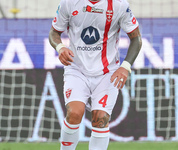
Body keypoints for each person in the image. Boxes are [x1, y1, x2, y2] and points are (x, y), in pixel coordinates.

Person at [49, 0, 142, 149]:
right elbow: (54, 32)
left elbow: (136, 38)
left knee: (100, 119)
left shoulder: (119, 5)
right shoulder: (69, 3)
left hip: (107, 72)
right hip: (76, 69)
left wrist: (125, 66)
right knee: (74, 113)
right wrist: (60, 47)